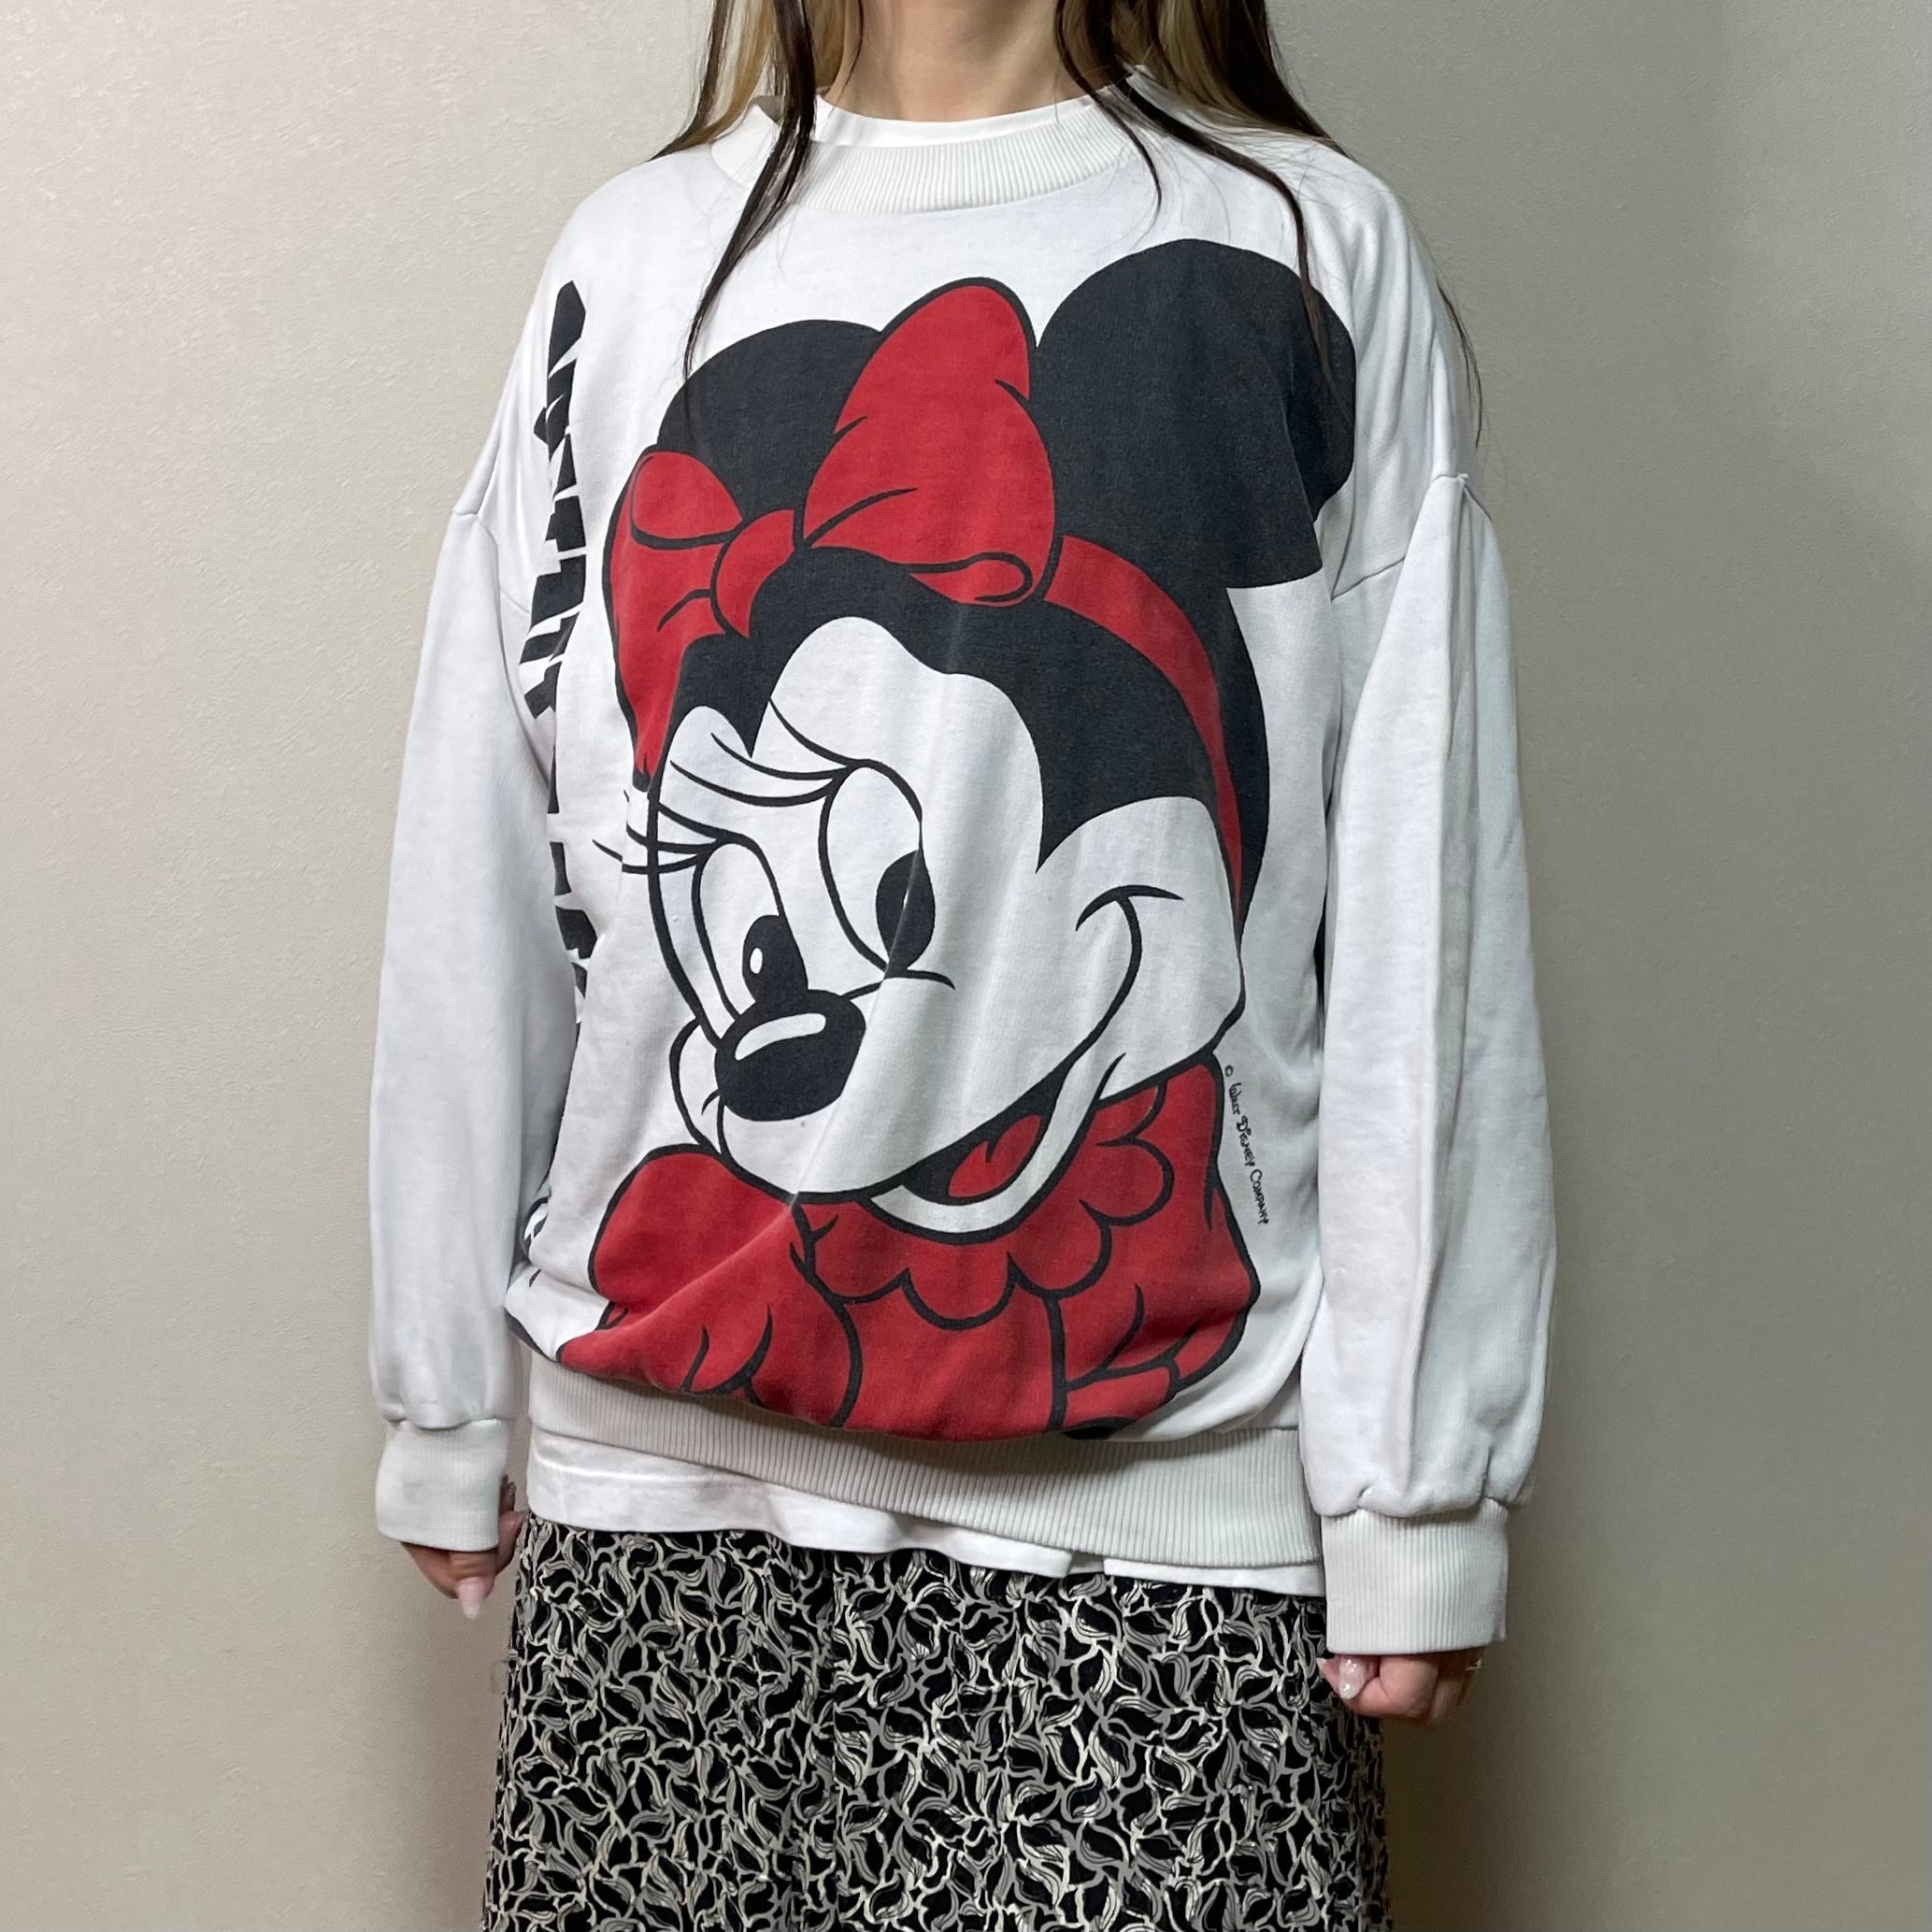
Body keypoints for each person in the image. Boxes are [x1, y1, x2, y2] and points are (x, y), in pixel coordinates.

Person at [366, 0, 1557, 1922]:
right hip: (658, 1513)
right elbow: (491, 835)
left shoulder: (1301, 248)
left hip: (1162, 1538)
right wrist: (444, 1388)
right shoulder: (634, 254)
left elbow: (1424, 891)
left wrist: (1417, 1487)